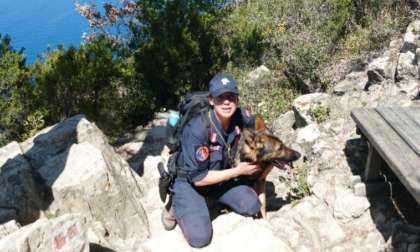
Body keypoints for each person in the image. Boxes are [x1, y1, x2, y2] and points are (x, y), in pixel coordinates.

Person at [162, 74, 271, 248]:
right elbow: (198, 178)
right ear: (211, 100)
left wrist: (269, 158)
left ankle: (210, 199)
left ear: (237, 99)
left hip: (220, 176)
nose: (226, 102)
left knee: (253, 205)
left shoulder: (241, 117)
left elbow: (265, 133)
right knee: (200, 238)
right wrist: (238, 171)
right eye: (220, 97)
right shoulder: (197, 129)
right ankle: (175, 203)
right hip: (191, 180)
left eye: (231, 97)